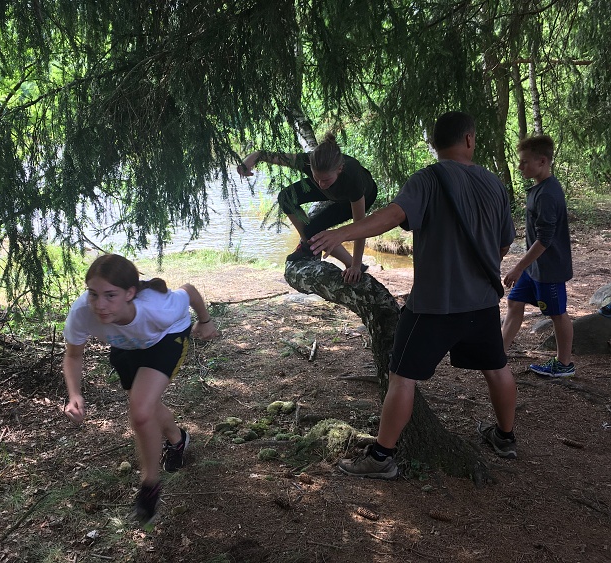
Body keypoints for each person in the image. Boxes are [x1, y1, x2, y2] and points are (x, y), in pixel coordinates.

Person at [309, 111, 518, 478]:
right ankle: (505, 438)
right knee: (497, 368)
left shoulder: (427, 179)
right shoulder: (494, 183)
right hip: (483, 302)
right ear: (469, 139)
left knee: (402, 377)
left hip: (433, 306)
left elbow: (393, 215)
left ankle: (381, 458)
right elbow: (503, 244)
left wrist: (342, 232)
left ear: (435, 144)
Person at [62, 254, 218, 523]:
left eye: (110, 295)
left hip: (167, 337)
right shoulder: (82, 312)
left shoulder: (158, 307)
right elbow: (73, 355)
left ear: (130, 293)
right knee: (146, 405)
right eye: (93, 293)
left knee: (141, 411)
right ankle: (178, 440)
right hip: (127, 345)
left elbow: (189, 291)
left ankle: (149, 487)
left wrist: (204, 321)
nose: (100, 305)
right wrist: (74, 394)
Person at [237, 133, 378, 283]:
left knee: (313, 230)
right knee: (286, 198)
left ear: (340, 169)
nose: (321, 184)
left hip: (362, 196)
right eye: (317, 178)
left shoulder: (352, 179)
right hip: (334, 189)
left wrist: (355, 265)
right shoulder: (307, 162)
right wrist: (252, 158)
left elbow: (360, 227)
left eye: (325, 179)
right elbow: (273, 157)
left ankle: (354, 264)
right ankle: (308, 245)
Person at [502, 135, 575, 377]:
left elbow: (545, 239)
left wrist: (518, 267)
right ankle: (498, 355)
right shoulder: (539, 188)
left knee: (557, 313)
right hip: (535, 267)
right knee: (514, 302)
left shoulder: (547, 194)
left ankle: (564, 364)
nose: (520, 166)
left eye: (524, 162)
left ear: (542, 161)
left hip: (549, 269)